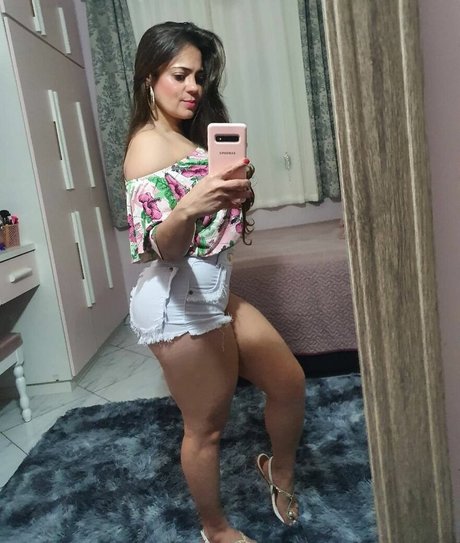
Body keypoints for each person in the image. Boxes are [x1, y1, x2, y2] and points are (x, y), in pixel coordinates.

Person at [124, 21, 306, 543]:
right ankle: (216, 529)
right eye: (179, 75)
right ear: (149, 77)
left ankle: (279, 470)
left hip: (213, 288)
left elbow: (213, 226)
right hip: (177, 302)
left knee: (289, 383)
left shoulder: (182, 138)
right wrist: (188, 207)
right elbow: (162, 247)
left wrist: (230, 195)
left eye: (199, 76)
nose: (193, 88)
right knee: (205, 429)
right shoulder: (146, 147)